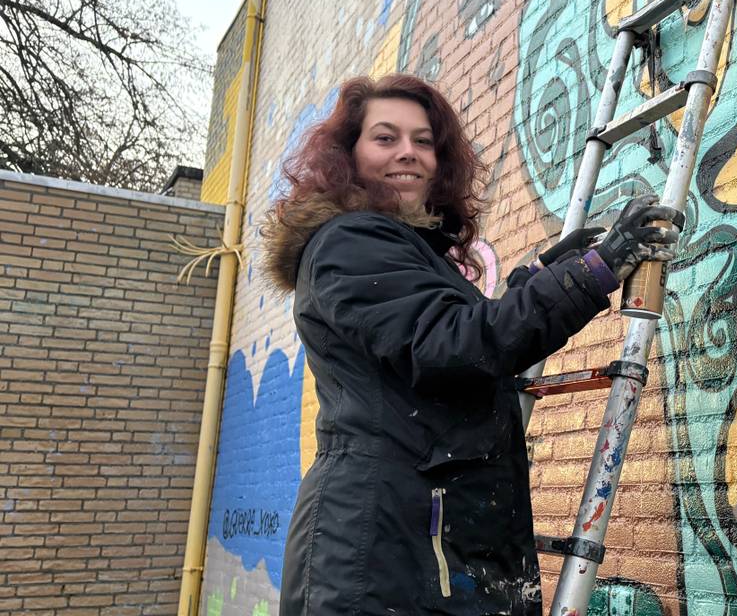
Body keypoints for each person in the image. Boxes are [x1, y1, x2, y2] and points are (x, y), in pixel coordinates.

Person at [262, 73, 678, 615]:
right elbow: (453, 344)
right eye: (385, 138)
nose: (407, 153)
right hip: (384, 555)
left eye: (423, 141)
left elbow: (465, 325)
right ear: (349, 155)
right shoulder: (351, 241)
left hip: (417, 540)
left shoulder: (404, 251)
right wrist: (593, 272)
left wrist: (552, 269)